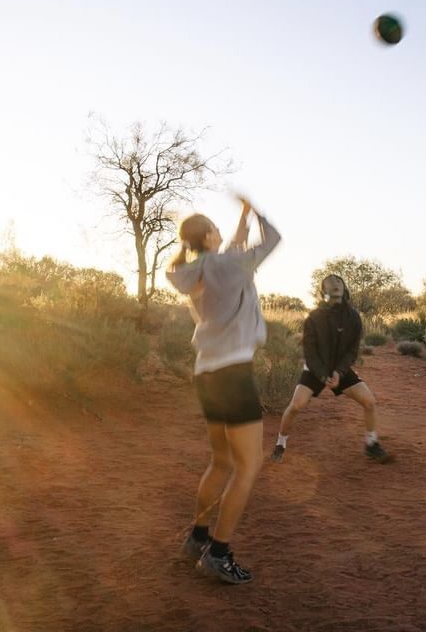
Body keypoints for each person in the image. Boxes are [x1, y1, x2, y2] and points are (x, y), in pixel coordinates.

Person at [166, 196, 280, 584]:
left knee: (221, 462)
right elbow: (274, 239)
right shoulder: (232, 264)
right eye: (217, 227)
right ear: (210, 235)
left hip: (207, 374)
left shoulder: (189, 270)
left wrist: (243, 219)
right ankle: (219, 552)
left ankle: (197, 538)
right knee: (249, 466)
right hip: (234, 373)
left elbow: (232, 250)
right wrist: (258, 213)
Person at [270, 274, 391, 463]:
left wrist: (339, 372)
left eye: (339, 281)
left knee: (369, 402)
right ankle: (280, 443)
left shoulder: (353, 317)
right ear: (323, 291)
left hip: (339, 370)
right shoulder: (313, 318)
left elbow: (352, 351)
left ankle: (371, 443)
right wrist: (322, 374)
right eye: (330, 282)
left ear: (344, 288)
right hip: (315, 370)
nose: (335, 283)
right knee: (296, 406)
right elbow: (310, 353)